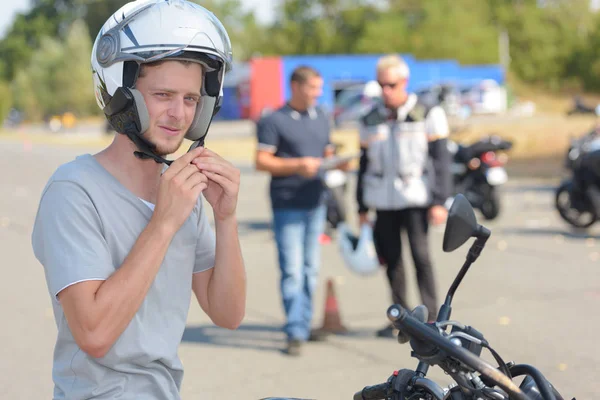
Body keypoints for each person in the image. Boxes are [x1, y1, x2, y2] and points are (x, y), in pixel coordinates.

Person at [31, 1, 246, 398]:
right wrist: (163, 223)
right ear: (121, 96)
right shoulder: (74, 190)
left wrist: (225, 217)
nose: (179, 114)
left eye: (191, 99)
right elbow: (94, 334)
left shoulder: (183, 192)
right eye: (163, 94)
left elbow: (228, 314)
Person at [356, 54, 452, 338]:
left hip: (416, 199)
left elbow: (442, 162)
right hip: (383, 202)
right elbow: (363, 165)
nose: (386, 91)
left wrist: (439, 201)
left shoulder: (428, 113)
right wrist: (361, 206)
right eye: (381, 85)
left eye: (391, 85)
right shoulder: (369, 118)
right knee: (391, 260)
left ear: (405, 82)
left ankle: (432, 320)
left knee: (421, 257)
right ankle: (401, 318)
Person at [255, 66, 347, 356]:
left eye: (319, 89)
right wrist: (298, 165)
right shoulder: (273, 120)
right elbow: (261, 160)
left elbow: (327, 152)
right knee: (292, 270)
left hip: (315, 201)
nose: (318, 94)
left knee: (310, 269)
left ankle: (304, 324)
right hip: (287, 204)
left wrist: (337, 162)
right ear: (295, 86)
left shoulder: (321, 116)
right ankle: (294, 330)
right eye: (313, 88)